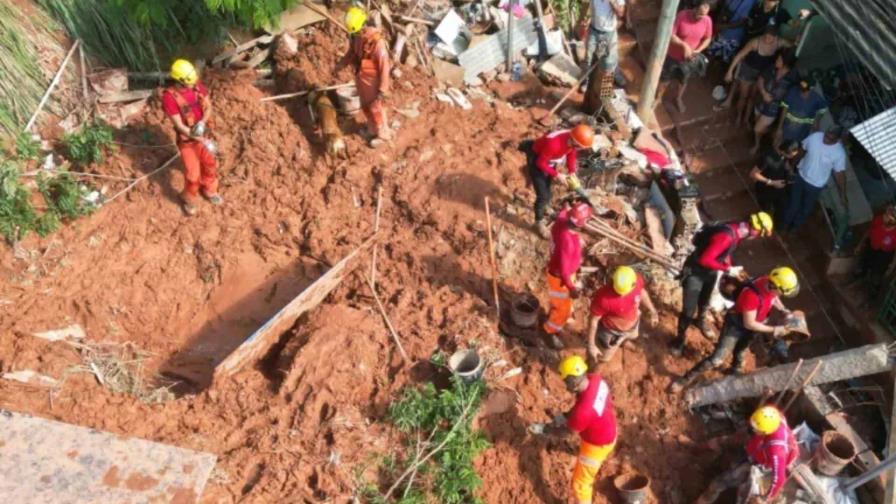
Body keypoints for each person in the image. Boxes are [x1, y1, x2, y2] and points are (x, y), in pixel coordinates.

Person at [671, 266, 799, 391]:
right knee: (716, 359)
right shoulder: (751, 295)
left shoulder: (769, 282)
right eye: (782, 292)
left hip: (753, 326)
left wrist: (783, 309)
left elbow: (773, 298)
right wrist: (775, 330)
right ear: (775, 286)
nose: (781, 295)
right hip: (736, 326)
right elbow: (749, 323)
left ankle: (735, 370)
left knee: (740, 351)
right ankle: (685, 379)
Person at [671, 212, 774, 355]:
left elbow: (725, 252)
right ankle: (679, 339)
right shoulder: (726, 237)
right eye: (759, 234)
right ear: (755, 229)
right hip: (695, 272)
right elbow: (705, 259)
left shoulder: (736, 230)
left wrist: (729, 265)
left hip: (709, 272)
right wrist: (727, 269)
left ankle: (700, 321)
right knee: (689, 309)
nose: (757, 237)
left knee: (704, 301)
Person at [695, 405, 798, 503]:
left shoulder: (776, 449)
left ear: (765, 432)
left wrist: (765, 498)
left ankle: (702, 501)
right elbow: (754, 427)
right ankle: (696, 447)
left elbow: (779, 478)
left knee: (719, 483)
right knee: (726, 440)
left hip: (760, 459)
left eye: (756, 430)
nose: (752, 430)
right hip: (755, 445)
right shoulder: (771, 415)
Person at [162, 59, 222, 216]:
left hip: (202, 133)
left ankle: (209, 189)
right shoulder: (169, 98)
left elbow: (208, 107)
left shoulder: (196, 86)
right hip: (188, 141)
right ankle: (187, 198)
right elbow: (180, 126)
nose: (194, 84)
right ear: (180, 81)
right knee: (193, 176)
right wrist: (200, 139)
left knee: (210, 163)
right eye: (190, 82)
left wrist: (202, 123)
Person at [556, 356, 617, 504]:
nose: (565, 386)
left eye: (566, 382)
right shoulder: (595, 380)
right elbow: (584, 404)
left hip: (596, 445)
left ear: (573, 382)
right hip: (610, 429)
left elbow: (568, 433)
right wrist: (566, 416)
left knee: (580, 483)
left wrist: (544, 430)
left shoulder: (582, 412)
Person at [524, 125, 595, 236]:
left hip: (550, 160)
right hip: (537, 159)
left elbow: (571, 154)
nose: (580, 149)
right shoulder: (554, 144)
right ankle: (538, 222)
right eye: (580, 146)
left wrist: (572, 171)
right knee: (542, 195)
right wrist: (557, 175)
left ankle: (545, 206)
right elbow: (540, 163)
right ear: (574, 141)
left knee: (548, 187)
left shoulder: (572, 140)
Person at [336, 7, 392, 147]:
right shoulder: (357, 38)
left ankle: (383, 135)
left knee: (376, 109)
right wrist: (340, 65)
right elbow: (351, 53)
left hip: (374, 83)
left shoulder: (377, 43)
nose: (356, 35)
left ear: (363, 26)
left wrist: (382, 89)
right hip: (362, 79)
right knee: (366, 108)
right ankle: (372, 129)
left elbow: (385, 67)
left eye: (358, 32)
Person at [543, 199, 594, 348]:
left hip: (558, 271)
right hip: (560, 279)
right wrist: (571, 288)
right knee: (562, 309)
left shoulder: (561, 220)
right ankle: (549, 331)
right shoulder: (568, 242)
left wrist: (568, 206)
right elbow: (565, 271)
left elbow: (564, 211)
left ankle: (559, 312)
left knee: (561, 303)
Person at [780, 125, 847, 233]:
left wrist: (842, 194)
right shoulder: (815, 137)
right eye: (826, 135)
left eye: (830, 139)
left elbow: (839, 174)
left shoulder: (839, 154)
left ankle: (795, 226)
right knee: (793, 204)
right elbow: (802, 150)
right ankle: (784, 224)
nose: (825, 139)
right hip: (801, 176)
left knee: (806, 209)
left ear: (838, 140)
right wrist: (792, 166)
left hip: (815, 186)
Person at [720, 26, 791, 126]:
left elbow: (792, 45)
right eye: (765, 36)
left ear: (775, 38)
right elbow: (739, 55)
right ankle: (739, 116)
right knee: (743, 96)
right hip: (748, 70)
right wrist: (730, 71)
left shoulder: (779, 43)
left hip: (762, 73)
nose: (767, 39)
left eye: (770, 37)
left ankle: (746, 119)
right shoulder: (754, 42)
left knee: (753, 97)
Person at [586, 265, 659, 364]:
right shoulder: (603, 298)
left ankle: (623, 342)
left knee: (633, 335)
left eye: (623, 292)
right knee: (602, 359)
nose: (620, 294)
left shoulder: (636, 279)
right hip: (611, 332)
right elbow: (593, 320)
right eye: (617, 291)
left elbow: (642, 292)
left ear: (634, 284)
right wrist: (591, 345)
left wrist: (652, 310)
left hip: (633, 324)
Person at [656, 1, 714, 114]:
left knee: (683, 80)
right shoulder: (682, 15)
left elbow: (708, 38)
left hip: (689, 59)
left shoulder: (707, 20)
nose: (702, 17)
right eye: (700, 14)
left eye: (705, 15)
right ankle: (658, 98)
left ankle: (678, 98)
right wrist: (684, 46)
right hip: (673, 55)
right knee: (665, 79)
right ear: (695, 8)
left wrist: (698, 50)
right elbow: (671, 35)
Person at [751, 49, 798, 153]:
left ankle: (757, 144)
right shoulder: (772, 68)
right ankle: (762, 137)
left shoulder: (791, 79)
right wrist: (764, 93)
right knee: (757, 122)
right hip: (761, 102)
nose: (776, 60)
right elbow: (761, 79)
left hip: (773, 109)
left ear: (785, 64)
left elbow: (790, 98)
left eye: (779, 59)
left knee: (757, 129)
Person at [577, 0, 626, 89]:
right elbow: (588, 8)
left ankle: (614, 76)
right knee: (588, 58)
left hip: (609, 33)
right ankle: (586, 80)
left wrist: (612, 2)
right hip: (594, 30)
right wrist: (585, 21)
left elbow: (621, 13)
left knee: (610, 61)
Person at [750, 139, 799, 216]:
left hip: (778, 187)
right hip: (765, 189)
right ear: (784, 151)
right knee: (765, 210)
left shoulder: (783, 156)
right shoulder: (768, 158)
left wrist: (789, 172)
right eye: (791, 156)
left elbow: (785, 165)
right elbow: (753, 174)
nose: (792, 157)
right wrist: (772, 182)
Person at [856, 205, 896, 296]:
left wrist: (893, 265)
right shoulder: (878, 220)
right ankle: (860, 276)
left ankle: (872, 294)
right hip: (871, 247)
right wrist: (860, 245)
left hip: (884, 255)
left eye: (888, 216)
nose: (884, 217)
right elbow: (869, 232)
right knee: (863, 264)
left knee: (876, 275)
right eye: (886, 214)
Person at [775, 79, 828, 144]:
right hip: (787, 128)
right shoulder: (792, 91)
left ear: (812, 88)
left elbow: (823, 109)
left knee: (794, 148)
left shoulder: (817, 99)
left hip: (802, 132)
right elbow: (784, 109)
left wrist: (817, 121)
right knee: (778, 143)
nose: (801, 91)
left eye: (805, 90)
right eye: (801, 88)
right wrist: (779, 128)